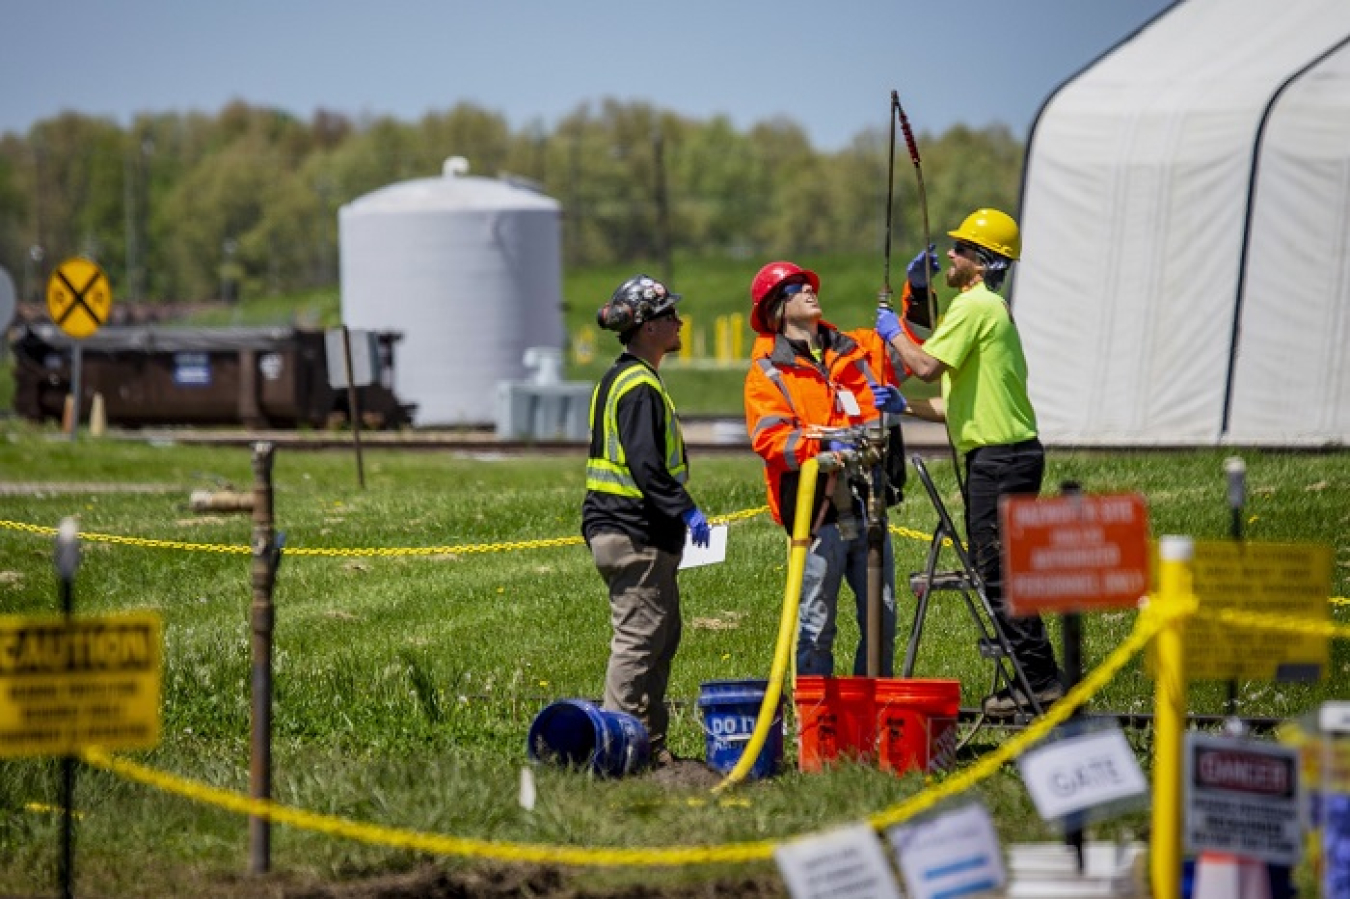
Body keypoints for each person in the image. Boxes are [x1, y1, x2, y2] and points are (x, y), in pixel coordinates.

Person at [876, 208, 1064, 717]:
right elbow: (945, 405)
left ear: (980, 263)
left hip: (1000, 460)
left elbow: (923, 366)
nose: (950, 254)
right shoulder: (988, 309)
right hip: (1007, 454)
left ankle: (1041, 680)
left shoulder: (974, 306)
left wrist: (894, 331)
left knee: (997, 573)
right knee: (1002, 571)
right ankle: (1035, 676)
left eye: (959, 249)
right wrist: (902, 406)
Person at [743, 261, 907, 678]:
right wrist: (823, 445)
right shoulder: (768, 372)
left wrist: (917, 293)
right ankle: (819, 726)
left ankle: (871, 715)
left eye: (807, 284)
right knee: (816, 626)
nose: (809, 290)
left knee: (882, 618)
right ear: (777, 309)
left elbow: (909, 354)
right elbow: (770, 441)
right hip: (816, 515)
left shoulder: (853, 349)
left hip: (869, 503)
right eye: (796, 288)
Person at [582, 274, 711, 769]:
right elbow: (645, 464)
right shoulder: (637, 386)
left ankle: (650, 746)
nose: (678, 322)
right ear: (648, 328)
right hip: (632, 532)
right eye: (670, 316)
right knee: (638, 644)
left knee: (660, 637)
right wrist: (686, 508)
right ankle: (619, 753)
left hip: (636, 532)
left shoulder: (628, 377)